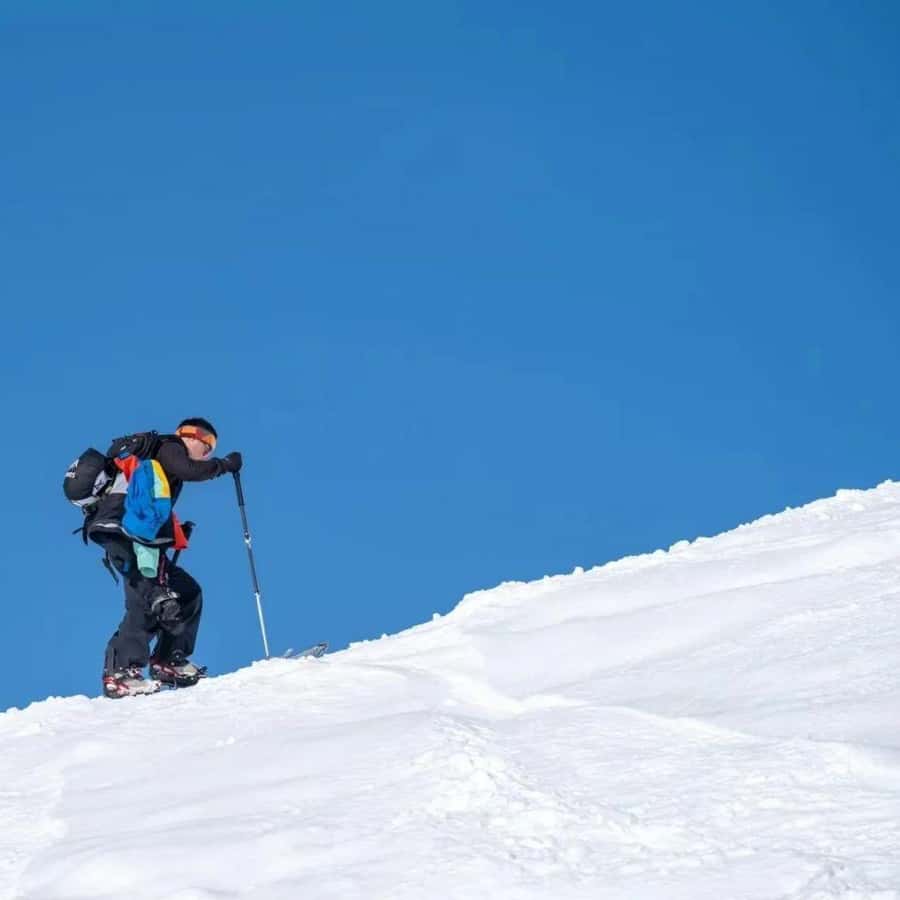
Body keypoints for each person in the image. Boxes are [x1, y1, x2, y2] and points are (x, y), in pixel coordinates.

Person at [89, 418, 242, 699]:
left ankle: (168, 660)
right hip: (120, 533)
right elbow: (189, 469)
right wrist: (224, 465)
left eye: (213, 449)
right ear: (192, 436)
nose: (208, 452)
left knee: (186, 592)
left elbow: (150, 507)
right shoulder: (170, 446)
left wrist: (174, 533)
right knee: (154, 598)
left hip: (133, 537)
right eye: (208, 444)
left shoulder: (159, 463)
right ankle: (121, 673)